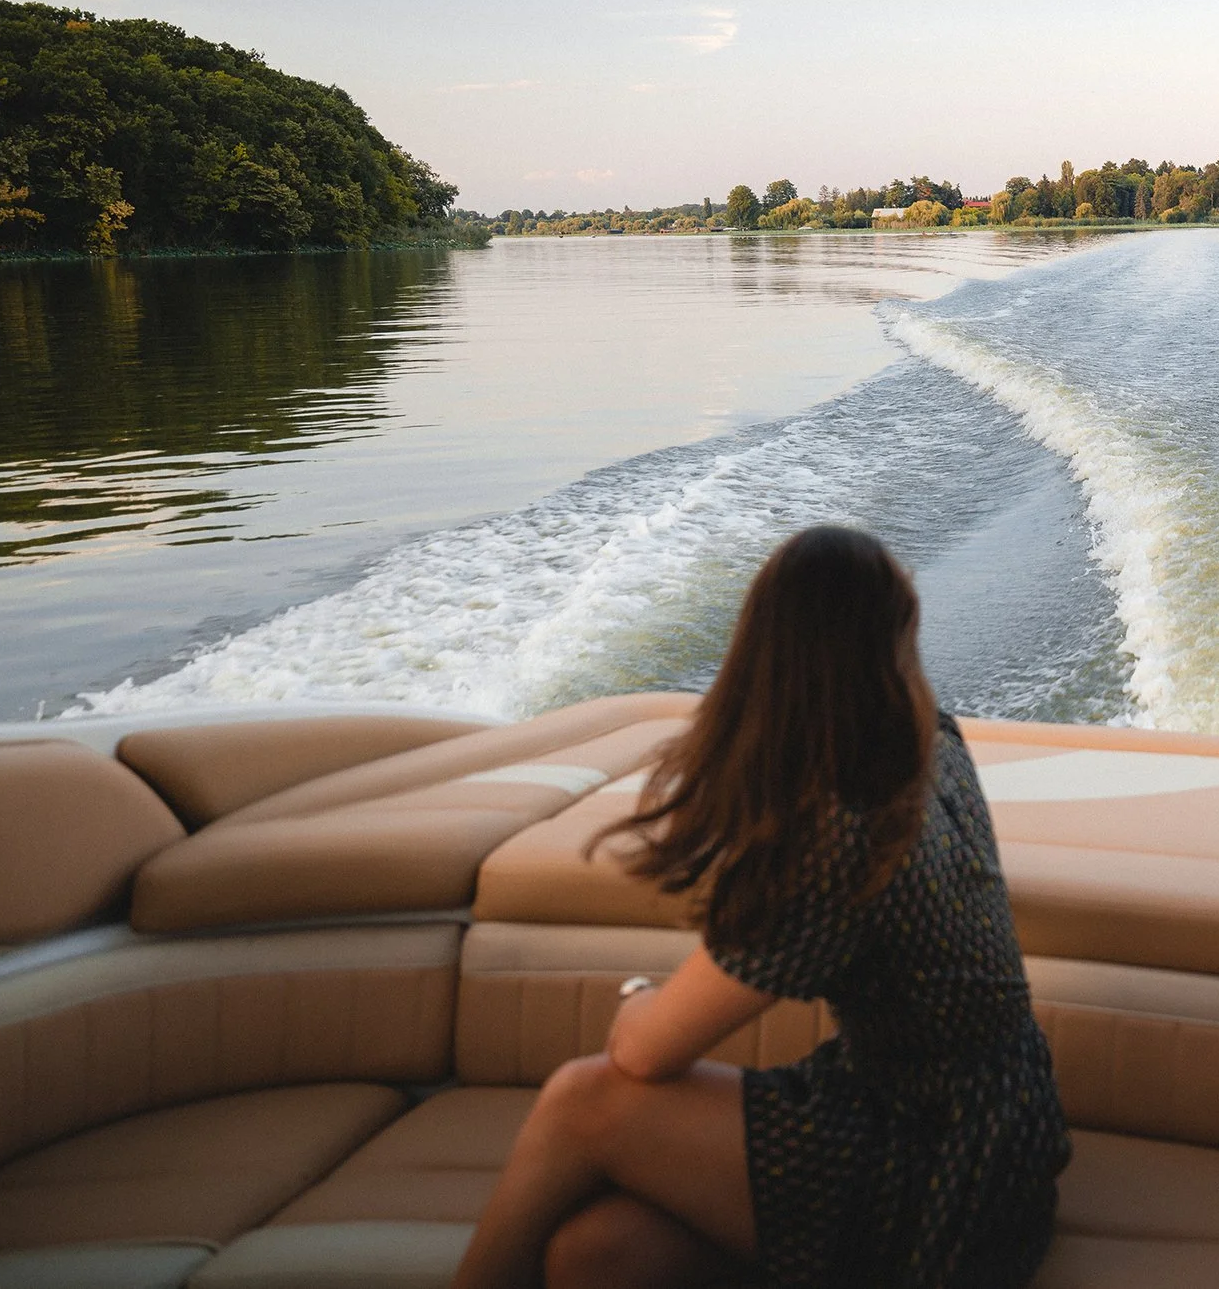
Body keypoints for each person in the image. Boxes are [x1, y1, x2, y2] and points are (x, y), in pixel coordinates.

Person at [452, 525, 1071, 1289]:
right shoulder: (929, 747)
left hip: (933, 1171)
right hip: (1001, 1142)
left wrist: (638, 999)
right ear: (893, 646)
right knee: (596, 1255)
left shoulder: (845, 829)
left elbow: (643, 1052)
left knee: (583, 1098)